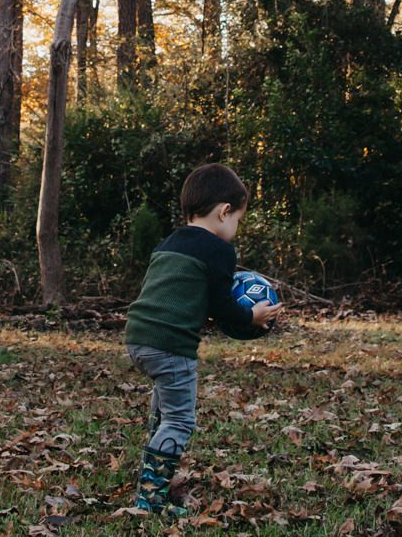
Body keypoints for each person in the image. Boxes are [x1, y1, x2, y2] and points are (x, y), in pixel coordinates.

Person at [120, 163, 286, 514]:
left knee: (164, 411)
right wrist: (251, 317)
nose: (236, 229)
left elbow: (184, 295)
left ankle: (151, 481)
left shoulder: (170, 242)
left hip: (138, 337)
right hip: (171, 345)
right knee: (180, 420)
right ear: (225, 211)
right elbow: (222, 306)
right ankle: (150, 500)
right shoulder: (219, 251)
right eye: (238, 220)